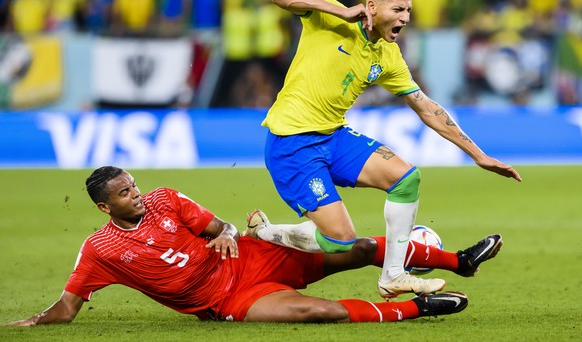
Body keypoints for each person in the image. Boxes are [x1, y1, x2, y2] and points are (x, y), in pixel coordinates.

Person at [258, 0, 521, 300]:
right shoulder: (330, 16)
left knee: (406, 178)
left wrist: (477, 154)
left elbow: (426, 107)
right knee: (340, 240)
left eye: (408, 11)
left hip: (333, 135)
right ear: (371, 7)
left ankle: (394, 276)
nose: (405, 18)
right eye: (398, 9)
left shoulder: (388, 56)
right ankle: (266, 233)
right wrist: (338, 12)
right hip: (292, 142)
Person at [3, 166, 506, 326]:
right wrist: (29, 322)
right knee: (316, 312)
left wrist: (222, 231)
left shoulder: (165, 199)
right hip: (229, 299)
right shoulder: (100, 249)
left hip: (254, 255)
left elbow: (217, 224)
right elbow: (68, 307)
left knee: (349, 246)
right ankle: (418, 309)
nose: (135, 195)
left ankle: (457, 261)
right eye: (124, 194)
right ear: (104, 207)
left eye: (133, 186)